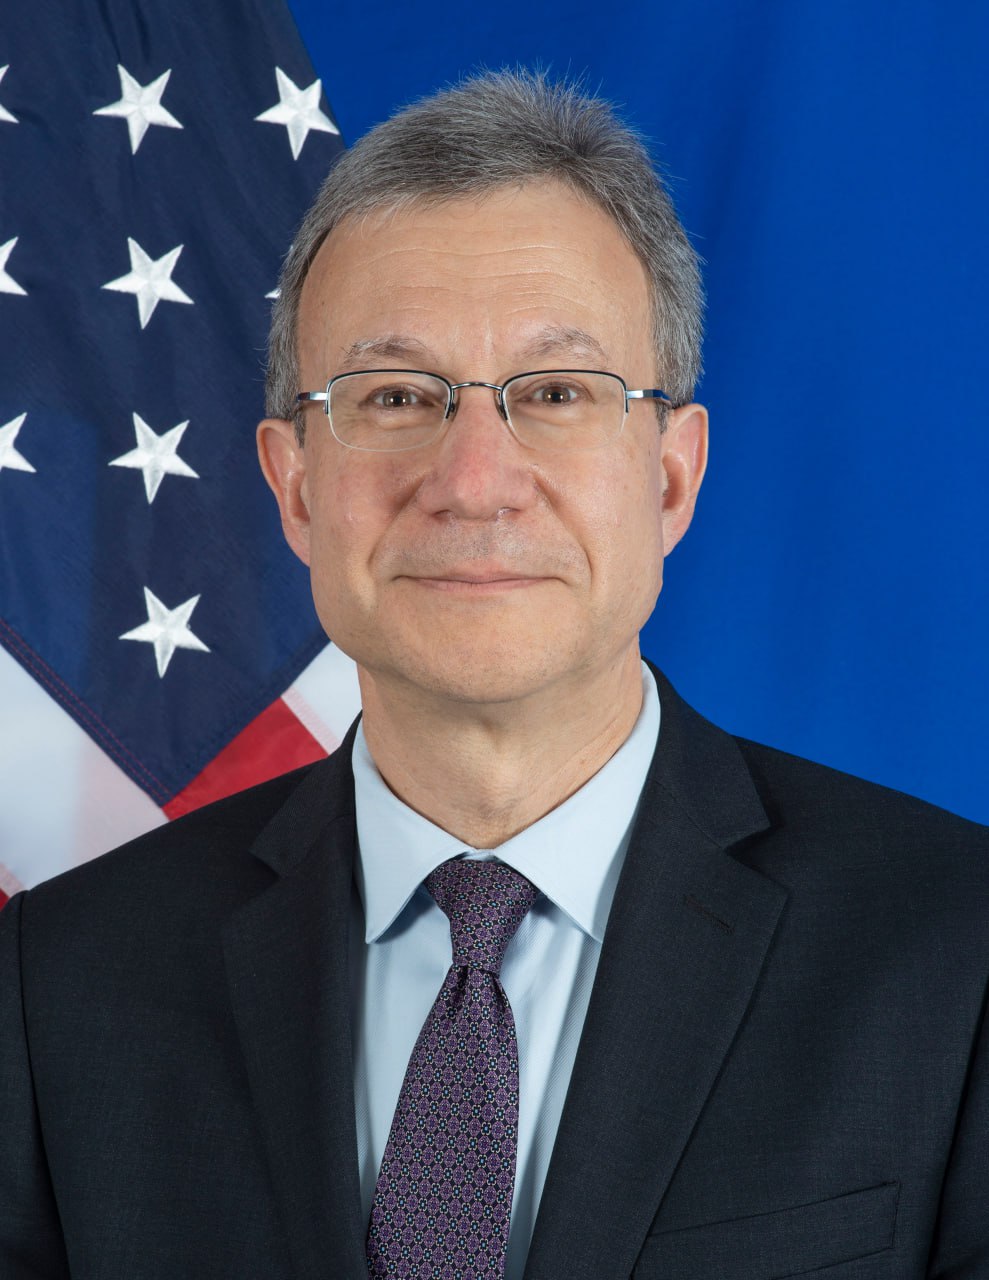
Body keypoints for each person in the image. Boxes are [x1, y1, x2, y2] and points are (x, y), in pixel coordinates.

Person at [1, 70, 987, 1280]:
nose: (473, 481)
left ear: (669, 476)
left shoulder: (956, 951)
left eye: (557, 392)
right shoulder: (59, 982)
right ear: (296, 485)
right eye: (394, 396)